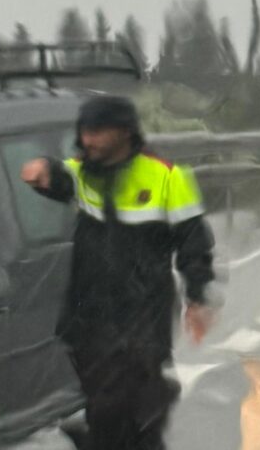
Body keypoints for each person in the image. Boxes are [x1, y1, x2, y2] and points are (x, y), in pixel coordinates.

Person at [21, 94, 217, 450]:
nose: (88, 140)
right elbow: (61, 175)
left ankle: (111, 435)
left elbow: (194, 243)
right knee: (108, 401)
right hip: (89, 313)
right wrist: (42, 170)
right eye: (84, 131)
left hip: (142, 313)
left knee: (131, 402)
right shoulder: (85, 172)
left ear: (124, 133)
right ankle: (106, 435)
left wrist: (198, 297)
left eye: (97, 132)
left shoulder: (166, 177)